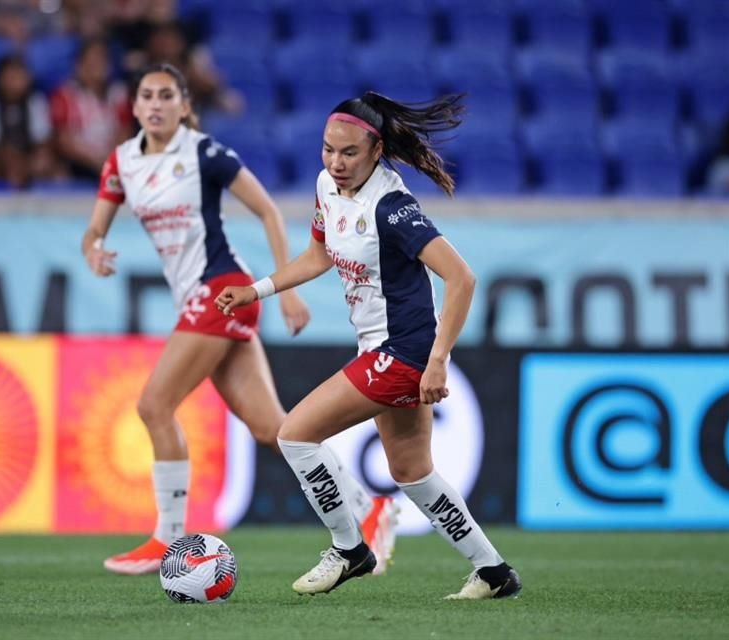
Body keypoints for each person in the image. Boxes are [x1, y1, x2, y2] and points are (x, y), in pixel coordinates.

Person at [82, 63, 399, 576]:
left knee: (154, 404)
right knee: (272, 429)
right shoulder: (121, 163)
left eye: (168, 95)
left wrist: (286, 292)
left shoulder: (204, 153)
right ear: (135, 106)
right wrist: (94, 249)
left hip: (223, 288)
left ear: (185, 106)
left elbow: (269, 211)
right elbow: (94, 229)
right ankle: (369, 509)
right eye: (147, 95)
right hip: (203, 297)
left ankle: (169, 538)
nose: (157, 104)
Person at [214, 91, 523, 600]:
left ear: (376, 151)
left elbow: (462, 279)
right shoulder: (327, 187)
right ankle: (493, 572)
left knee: (295, 434)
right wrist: (258, 289)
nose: (335, 162)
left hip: (402, 352)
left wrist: (437, 362)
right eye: (328, 149)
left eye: (349, 153)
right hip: (378, 346)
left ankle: (348, 549)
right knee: (412, 471)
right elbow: (317, 257)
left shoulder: (392, 207)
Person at [0, 54, 59, 189]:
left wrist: (38, 158)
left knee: (52, 168)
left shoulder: (36, 101)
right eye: (11, 76)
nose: (16, 81)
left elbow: (42, 140)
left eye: (20, 76)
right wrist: (14, 163)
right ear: (0, 79)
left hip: (27, 158)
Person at [50, 38, 133, 183]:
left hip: (113, 160)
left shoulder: (119, 93)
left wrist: (109, 160)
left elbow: (124, 133)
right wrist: (96, 161)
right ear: (79, 65)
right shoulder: (65, 95)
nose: (98, 66)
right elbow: (65, 141)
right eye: (92, 61)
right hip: (79, 162)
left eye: (102, 60)